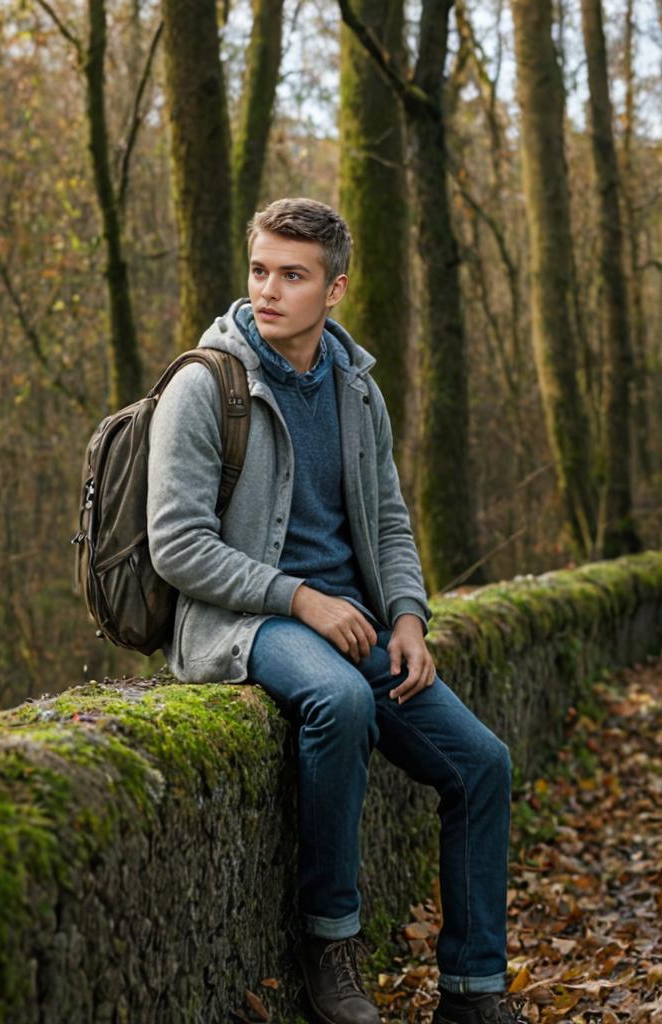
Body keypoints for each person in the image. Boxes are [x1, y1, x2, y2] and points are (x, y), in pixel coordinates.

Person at [147, 198, 515, 1024]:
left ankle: (473, 991)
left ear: (335, 288)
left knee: (484, 765)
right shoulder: (204, 387)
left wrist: (410, 617)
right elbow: (177, 547)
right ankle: (331, 944)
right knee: (339, 701)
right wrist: (300, 598)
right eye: (259, 270)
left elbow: (387, 519)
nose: (268, 290)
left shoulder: (356, 389)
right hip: (246, 623)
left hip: (356, 624)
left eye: (293, 275)